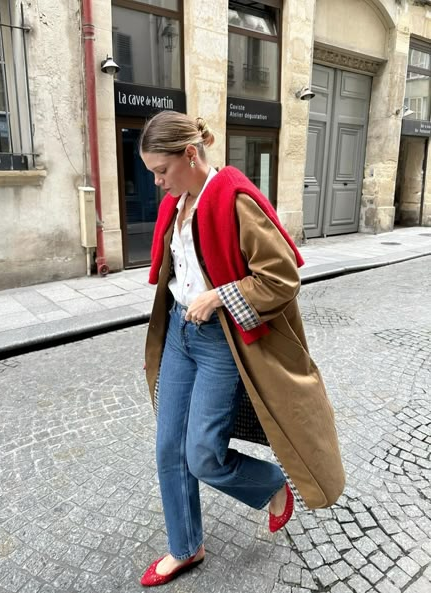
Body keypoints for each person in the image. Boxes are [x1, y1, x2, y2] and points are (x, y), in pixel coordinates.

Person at [139, 111, 345, 587]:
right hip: (178, 334)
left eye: (161, 170)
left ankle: (271, 483)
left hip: (219, 341)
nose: (156, 181)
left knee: (203, 455)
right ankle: (185, 547)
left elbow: (282, 277)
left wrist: (219, 295)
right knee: (169, 446)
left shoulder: (233, 199)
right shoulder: (180, 202)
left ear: (190, 154)